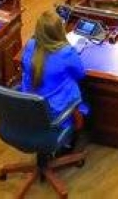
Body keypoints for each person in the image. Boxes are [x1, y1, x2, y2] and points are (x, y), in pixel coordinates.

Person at [20, 11, 88, 139]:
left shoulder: (30, 45)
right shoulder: (66, 52)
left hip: (30, 109)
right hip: (57, 115)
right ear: (59, 31)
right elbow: (80, 75)